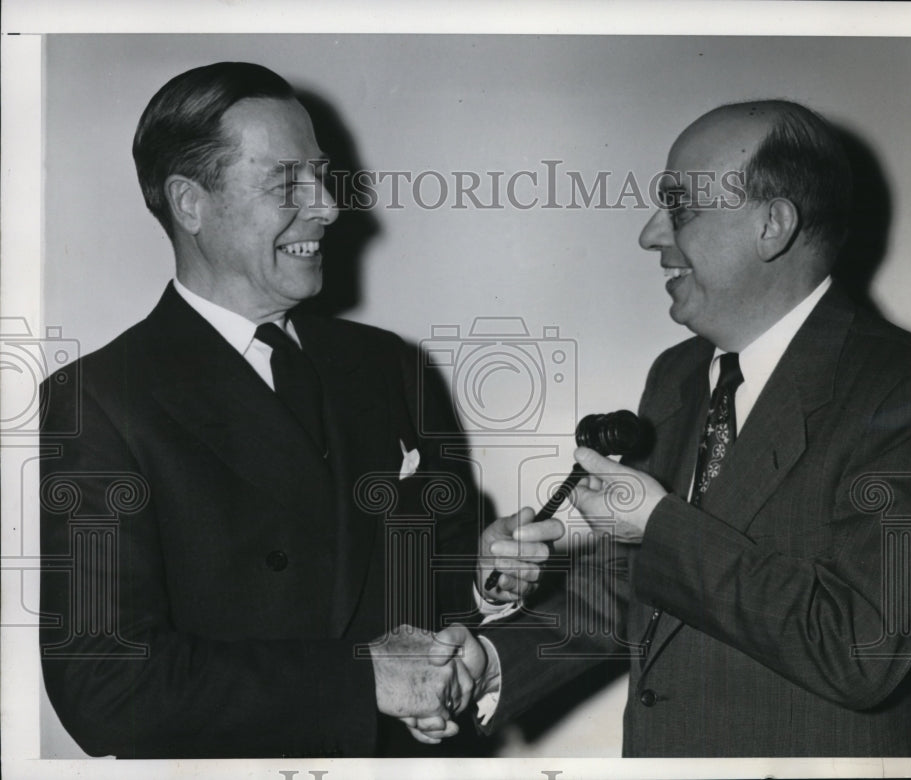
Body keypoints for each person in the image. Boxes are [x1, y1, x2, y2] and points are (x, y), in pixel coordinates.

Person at [426, 99, 911, 756]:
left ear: (772, 226)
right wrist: (493, 657)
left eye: (680, 207)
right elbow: (635, 588)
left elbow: (858, 649)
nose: (651, 234)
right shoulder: (680, 376)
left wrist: (658, 524)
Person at [37, 61, 550, 759]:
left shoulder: (387, 364)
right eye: (287, 183)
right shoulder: (99, 399)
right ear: (190, 204)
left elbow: (420, 580)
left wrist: (480, 579)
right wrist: (361, 681)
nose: (329, 208)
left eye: (322, 175)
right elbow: (103, 685)